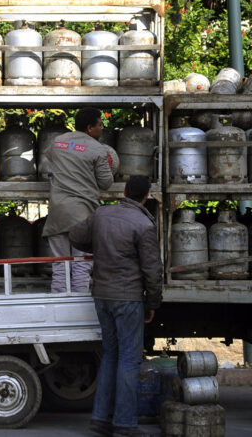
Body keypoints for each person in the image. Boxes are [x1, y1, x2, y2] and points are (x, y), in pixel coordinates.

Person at [69, 175, 161, 437]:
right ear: (146, 196)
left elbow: (76, 235)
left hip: (101, 296)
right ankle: (125, 423)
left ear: (124, 191)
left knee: (110, 354)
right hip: (128, 298)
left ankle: (99, 418)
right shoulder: (144, 224)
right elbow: (152, 270)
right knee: (130, 359)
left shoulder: (102, 214)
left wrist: (97, 246)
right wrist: (153, 302)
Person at [42, 107, 115, 293]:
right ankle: (78, 309)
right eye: (100, 124)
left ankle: (59, 309)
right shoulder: (98, 149)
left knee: (60, 265)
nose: (102, 128)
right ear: (90, 128)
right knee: (81, 265)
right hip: (83, 215)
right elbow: (106, 183)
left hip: (58, 213)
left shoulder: (58, 142)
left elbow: (49, 156)